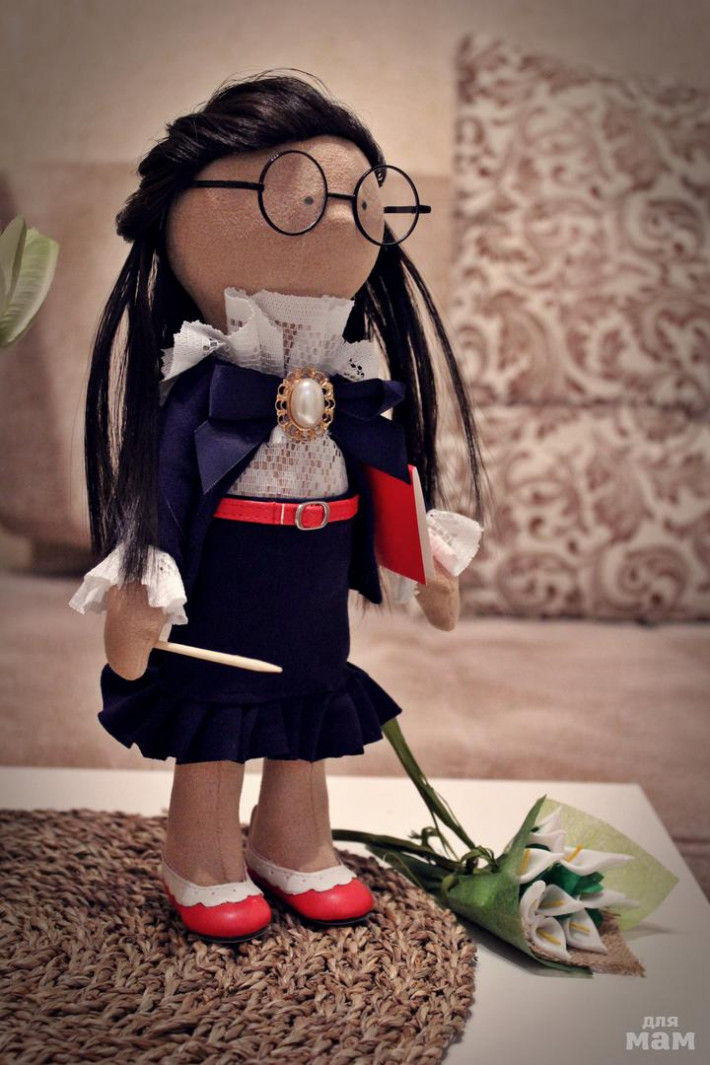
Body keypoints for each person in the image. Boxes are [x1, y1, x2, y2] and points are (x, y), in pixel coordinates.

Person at [70, 70, 490, 943]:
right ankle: (201, 856)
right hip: (224, 581)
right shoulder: (204, 391)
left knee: (304, 715)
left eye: (360, 201)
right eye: (300, 195)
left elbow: (387, 474)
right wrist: (140, 587)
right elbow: (165, 494)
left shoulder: (354, 383)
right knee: (218, 723)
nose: (338, 219)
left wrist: (425, 563)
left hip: (314, 578)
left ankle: (291, 842)